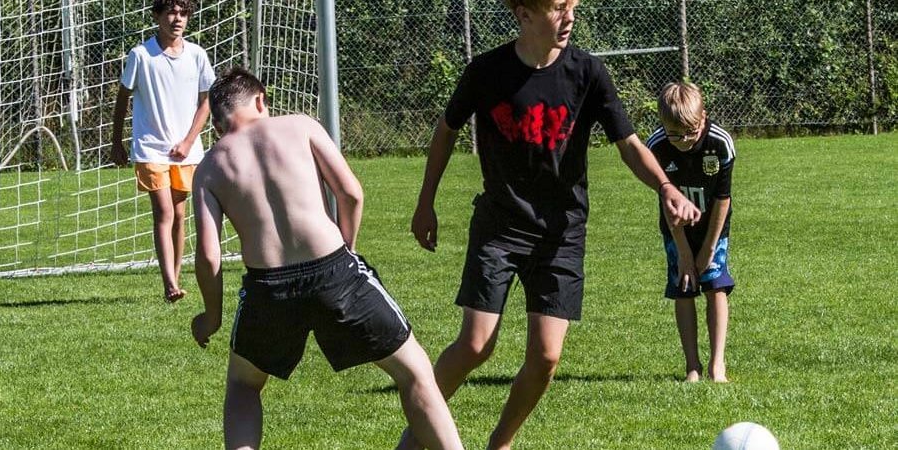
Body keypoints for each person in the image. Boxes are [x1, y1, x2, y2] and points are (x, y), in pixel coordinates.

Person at [403, 1, 702, 448]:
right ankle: (418, 432)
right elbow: (446, 130)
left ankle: (499, 443)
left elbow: (629, 143)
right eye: (559, 8)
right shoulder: (486, 72)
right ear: (524, 15)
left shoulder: (588, 73)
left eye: (573, 7)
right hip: (500, 227)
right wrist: (425, 202)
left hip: (561, 232)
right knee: (476, 345)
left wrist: (665, 186)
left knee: (546, 355)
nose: (570, 18)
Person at [189, 68, 465, 450]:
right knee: (415, 373)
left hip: (268, 287)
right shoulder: (300, 125)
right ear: (259, 101)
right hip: (334, 270)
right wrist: (346, 251)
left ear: (218, 125)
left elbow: (208, 254)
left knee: (243, 385)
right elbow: (350, 193)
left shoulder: (209, 167)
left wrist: (211, 317)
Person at [111, 0, 215, 302]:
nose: (177, 19)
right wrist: (116, 141)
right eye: (171, 12)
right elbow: (122, 98)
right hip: (150, 150)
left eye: (183, 13)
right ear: (157, 15)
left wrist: (187, 141)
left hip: (186, 151)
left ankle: (175, 277)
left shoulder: (197, 55)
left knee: (180, 214)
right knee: (164, 211)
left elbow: (206, 101)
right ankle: (169, 283)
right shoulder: (141, 55)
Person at [646, 81, 735, 383]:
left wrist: (709, 249)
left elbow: (723, 198)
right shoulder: (656, 147)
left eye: (690, 132)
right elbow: (667, 202)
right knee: (684, 288)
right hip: (676, 229)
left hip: (714, 228)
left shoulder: (720, 143)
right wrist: (684, 253)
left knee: (715, 287)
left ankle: (716, 366)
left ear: (703, 118)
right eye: (675, 134)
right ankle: (692, 367)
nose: (682, 140)